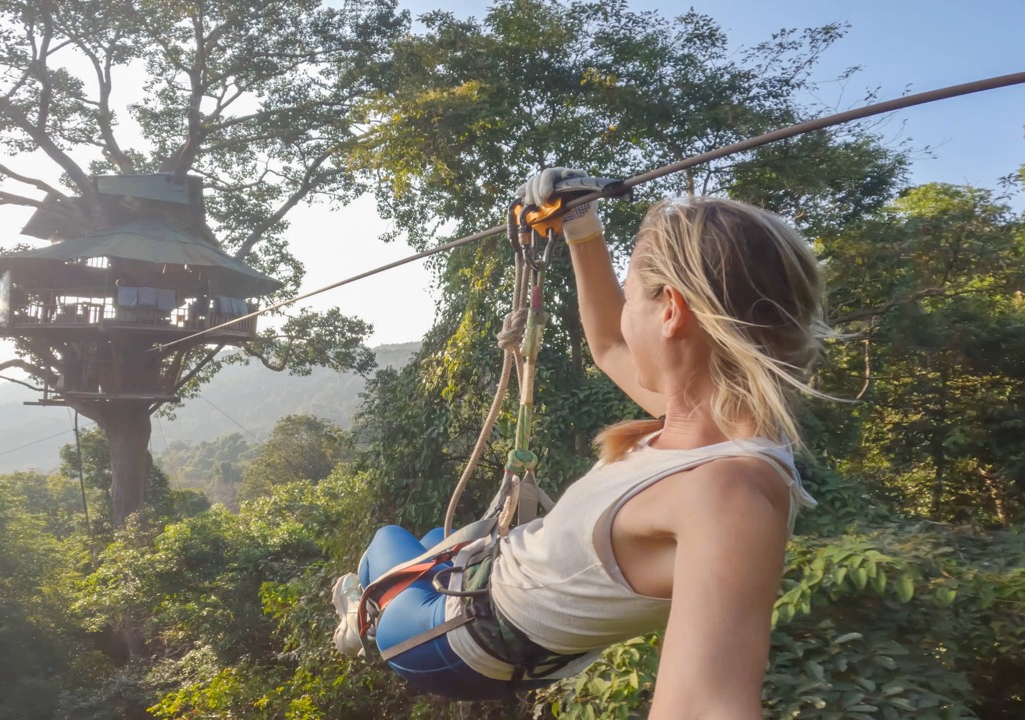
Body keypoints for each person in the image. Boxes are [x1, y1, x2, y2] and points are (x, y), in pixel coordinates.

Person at [333, 167, 826, 717]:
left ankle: (359, 615)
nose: (624, 314)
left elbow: (707, 705)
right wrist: (580, 225)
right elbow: (611, 343)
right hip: (485, 586)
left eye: (633, 295)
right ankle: (383, 593)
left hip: (447, 642)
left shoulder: (726, 493)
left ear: (671, 311)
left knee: (386, 542)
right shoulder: (711, 424)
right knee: (435, 537)